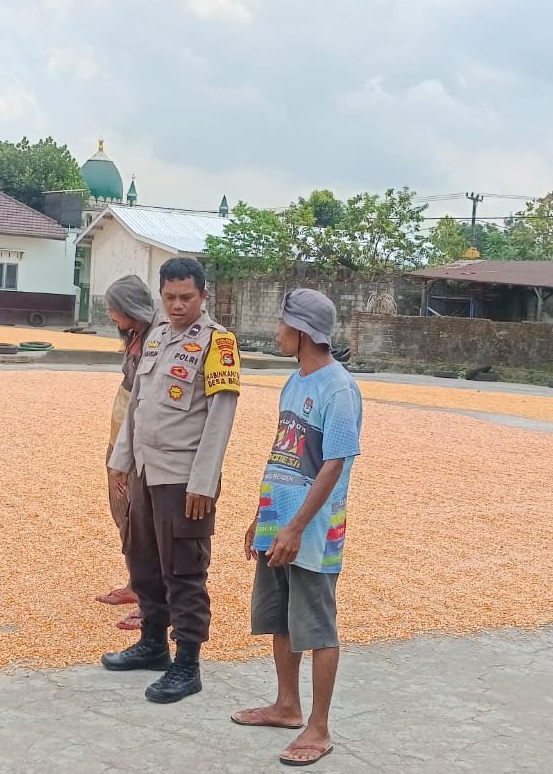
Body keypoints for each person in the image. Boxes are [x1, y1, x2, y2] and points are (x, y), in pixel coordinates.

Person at [102, 257, 241, 704]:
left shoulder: (219, 344)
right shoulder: (157, 337)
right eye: (170, 298)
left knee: (183, 569)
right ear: (160, 296)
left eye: (186, 297)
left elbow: (220, 418)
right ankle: (153, 644)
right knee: (143, 561)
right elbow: (137, 404)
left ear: (203, 295)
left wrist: (204, 481)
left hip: (183, 478)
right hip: (144, 470)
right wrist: (120, 461)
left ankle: (187, 664)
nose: (178, 305)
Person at [233, 288, 361, 767]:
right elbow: (282, 454)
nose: (276, 331)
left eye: (282, 323)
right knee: (279, 618)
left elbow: (333, 464)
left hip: (312, 530)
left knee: (317, 625)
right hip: (278, 523)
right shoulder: (295, 382)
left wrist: (295, 527)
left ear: (303, 331)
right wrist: (262, 517)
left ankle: (319, 726)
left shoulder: (338, 388)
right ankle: (287, 706)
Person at [95, 275, 157, 630]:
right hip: (120, 428)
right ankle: (136, 583)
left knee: (141, 517)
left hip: (138, 435)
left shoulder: (156, 339)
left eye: (113, 309)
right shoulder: (134, 336)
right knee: (122, 510)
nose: (110, 315)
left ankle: (152, 598)